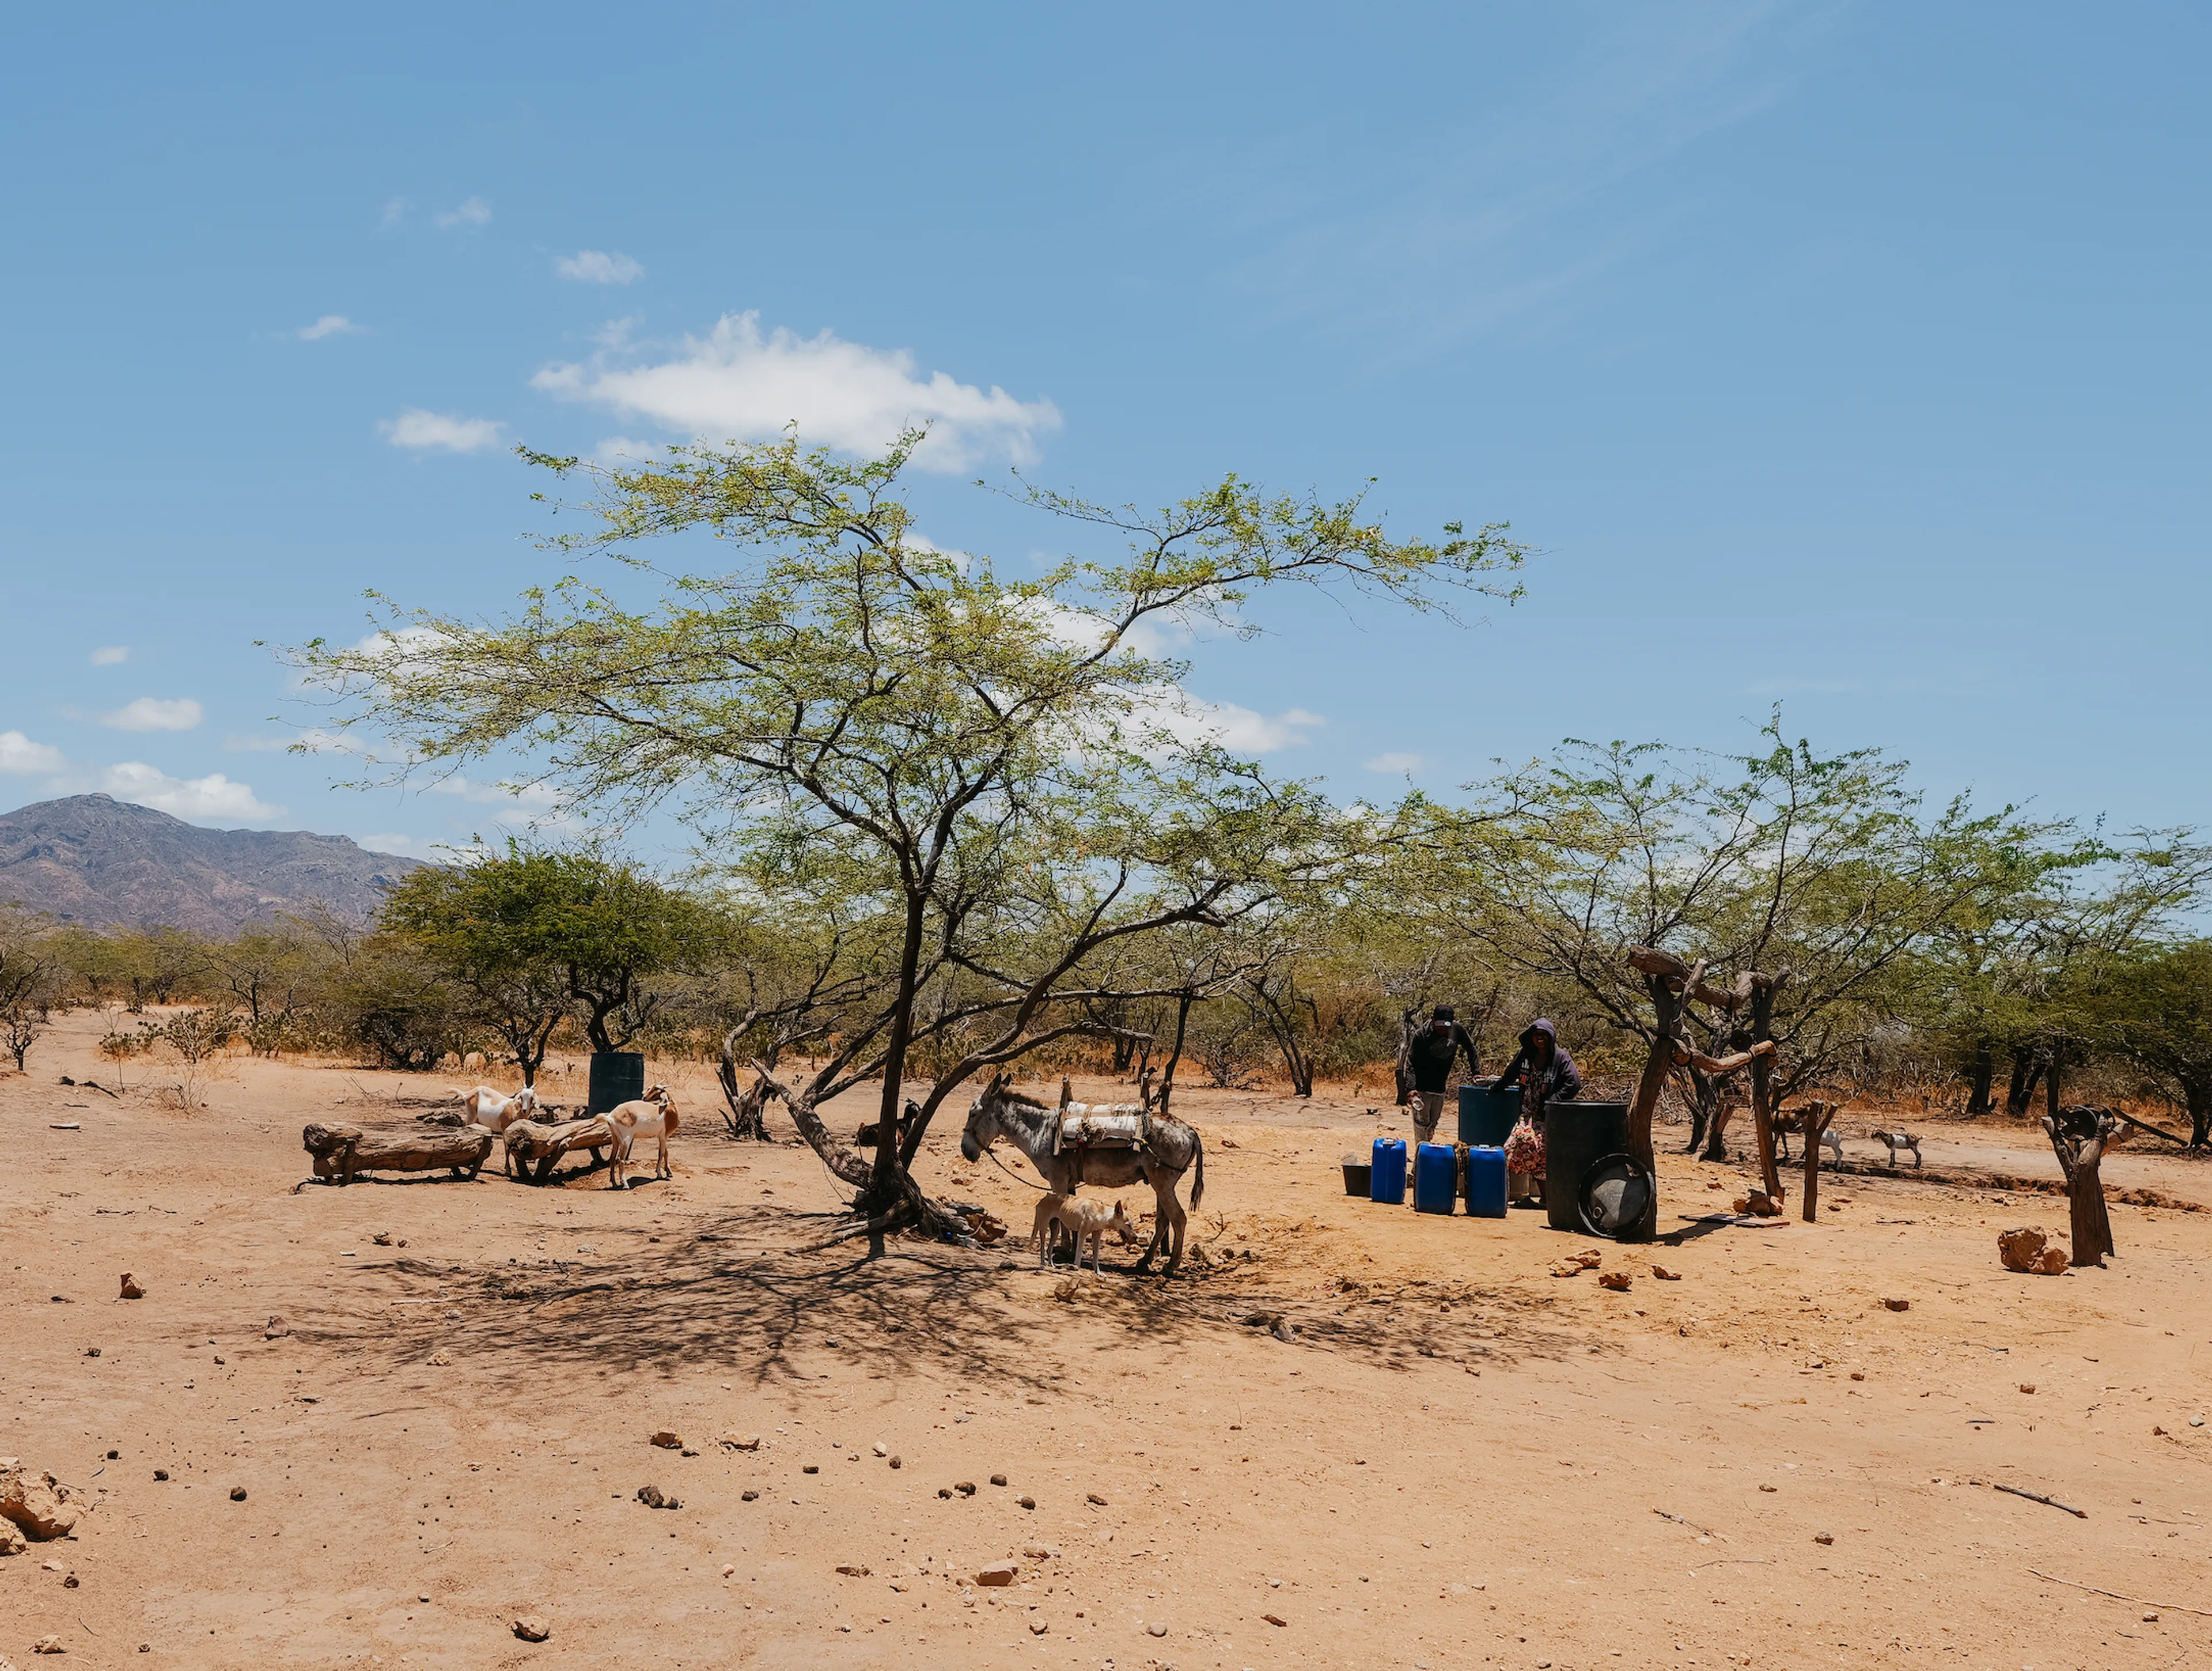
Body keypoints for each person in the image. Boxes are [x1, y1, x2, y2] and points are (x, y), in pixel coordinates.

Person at [1493, 1019, 1580, 1207]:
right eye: (1536, 1035)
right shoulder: (1526, 1055)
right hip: (1527, 1115)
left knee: (1541, 1156)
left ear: (1551, 1037)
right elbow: (1511, 1074)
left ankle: (1548, 1199)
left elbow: (1573, 1083)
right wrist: (1497, 1087)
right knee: (1515, 1149)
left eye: (1544, 1035)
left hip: (1548, 1116)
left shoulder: (1560, 1058)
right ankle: (1507, 1193)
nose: (1540, 1039)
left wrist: (1553, 1101)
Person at [1402, 1004, 1479, 1148]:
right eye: (1439, 1025)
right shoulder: (1421, 1035)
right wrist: (1411, 1089)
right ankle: (1421, 1157)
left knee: (1432, 1125)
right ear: (1433, 1020)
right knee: (1421, 1125)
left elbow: (1471, 1048)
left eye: (1446, 1025)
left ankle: (1426, 1151)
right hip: (1421, 1089)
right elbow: (1411, 1063)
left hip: (1440, 1088)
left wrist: (1476, 1073)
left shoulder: (1457, 1030)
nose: (1442, 1029)